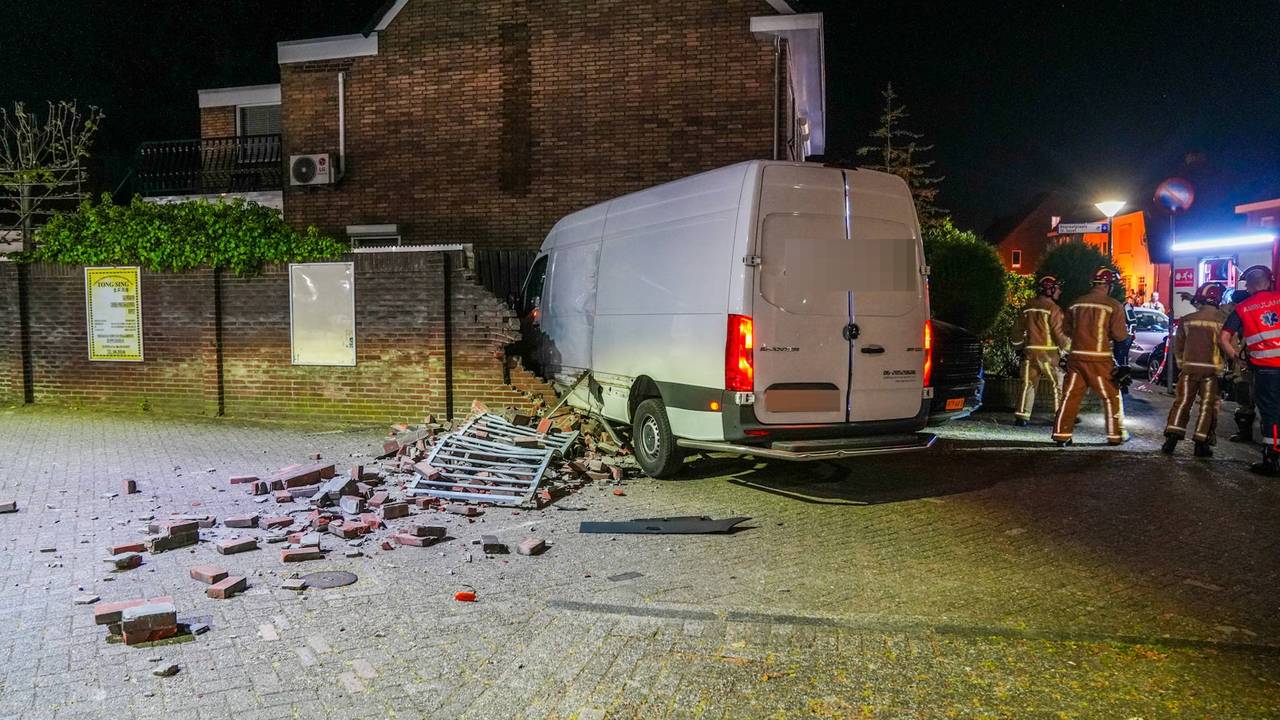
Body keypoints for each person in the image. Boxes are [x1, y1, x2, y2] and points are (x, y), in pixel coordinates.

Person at [1052, 267, 1133, 446]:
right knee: (1111, 396)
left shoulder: (1075, 304)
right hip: (1100, 360)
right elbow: (1120, 335)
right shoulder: (1113, 305)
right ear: (1108, 285)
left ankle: (1061, 435)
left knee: (1070, 397)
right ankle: (1115, 435)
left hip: (1076, 359)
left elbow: (1066, 330)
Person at [1219, 265, 1280, 476]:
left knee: (1271, 412)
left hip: (1266, 370)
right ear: (1268, 282)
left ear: (1250, 286)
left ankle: (1272, 458)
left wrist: (1237, 358)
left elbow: (1224, 338)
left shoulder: (1243, 308)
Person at [1162, 282, 1227, 457]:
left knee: (1182, 403)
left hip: (1189, 369)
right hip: (1211, 371)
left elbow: (1178, 345)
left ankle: (1171, 439)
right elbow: (1228, 346)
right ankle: (1201, 443)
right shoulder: (1222, 321)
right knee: (1208, 406)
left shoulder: (1187, 320)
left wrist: (1182, 363)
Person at [1011, 275, 1070, 426]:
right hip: (1049, 355)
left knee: (1028, 384)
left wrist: (1018, 348)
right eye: (1057, 288)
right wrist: (1069, 350)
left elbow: (1017, 331)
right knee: (1058, 386)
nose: (1060, 291)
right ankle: (1059, 416)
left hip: (1030, 353)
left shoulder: (1027, 307)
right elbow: (1060, 334)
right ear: (1049, 290)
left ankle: (1021, 417)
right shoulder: (1054, 309)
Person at [1221, 287, 1256, 442]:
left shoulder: (1241, 315)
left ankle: (1246, 433)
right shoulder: (1242, 315)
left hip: (1246, 366)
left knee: (1245, 400)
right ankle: (1246, 432)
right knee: (1246, 401)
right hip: (1249, 365)